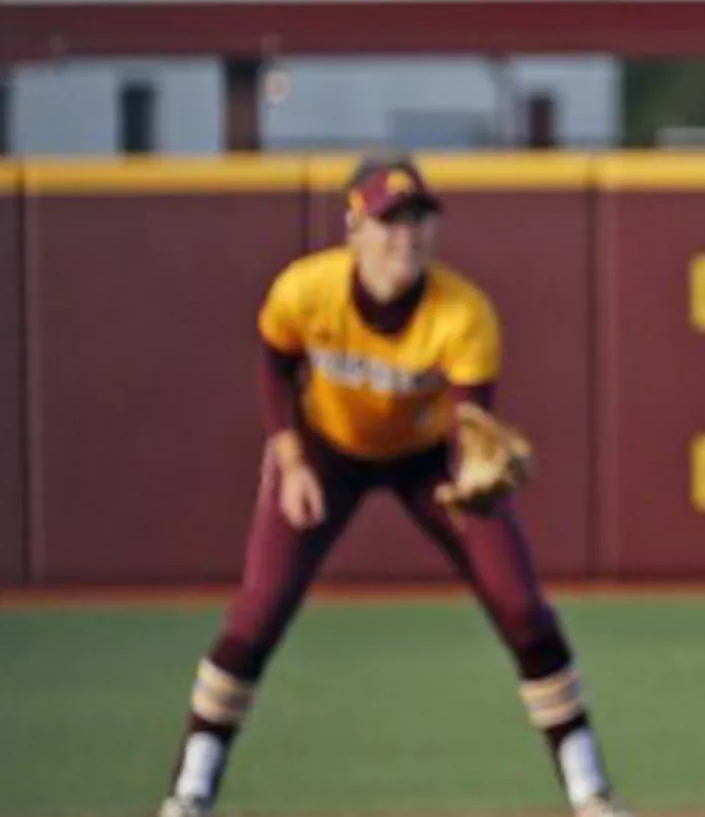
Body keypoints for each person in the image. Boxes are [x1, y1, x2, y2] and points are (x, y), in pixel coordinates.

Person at [158, 156, 627, 817]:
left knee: (520, 604)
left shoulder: (462, 312)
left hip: (430, 459)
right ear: (353, 226)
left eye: (419, 220)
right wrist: (290, 457)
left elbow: (471, 418)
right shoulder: (306, 288)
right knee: (259, 608)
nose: (405, 236)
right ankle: (190, 790)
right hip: (326, 450)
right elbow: (274, 360)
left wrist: (474, 473)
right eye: (388, 221)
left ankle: (591, 792)